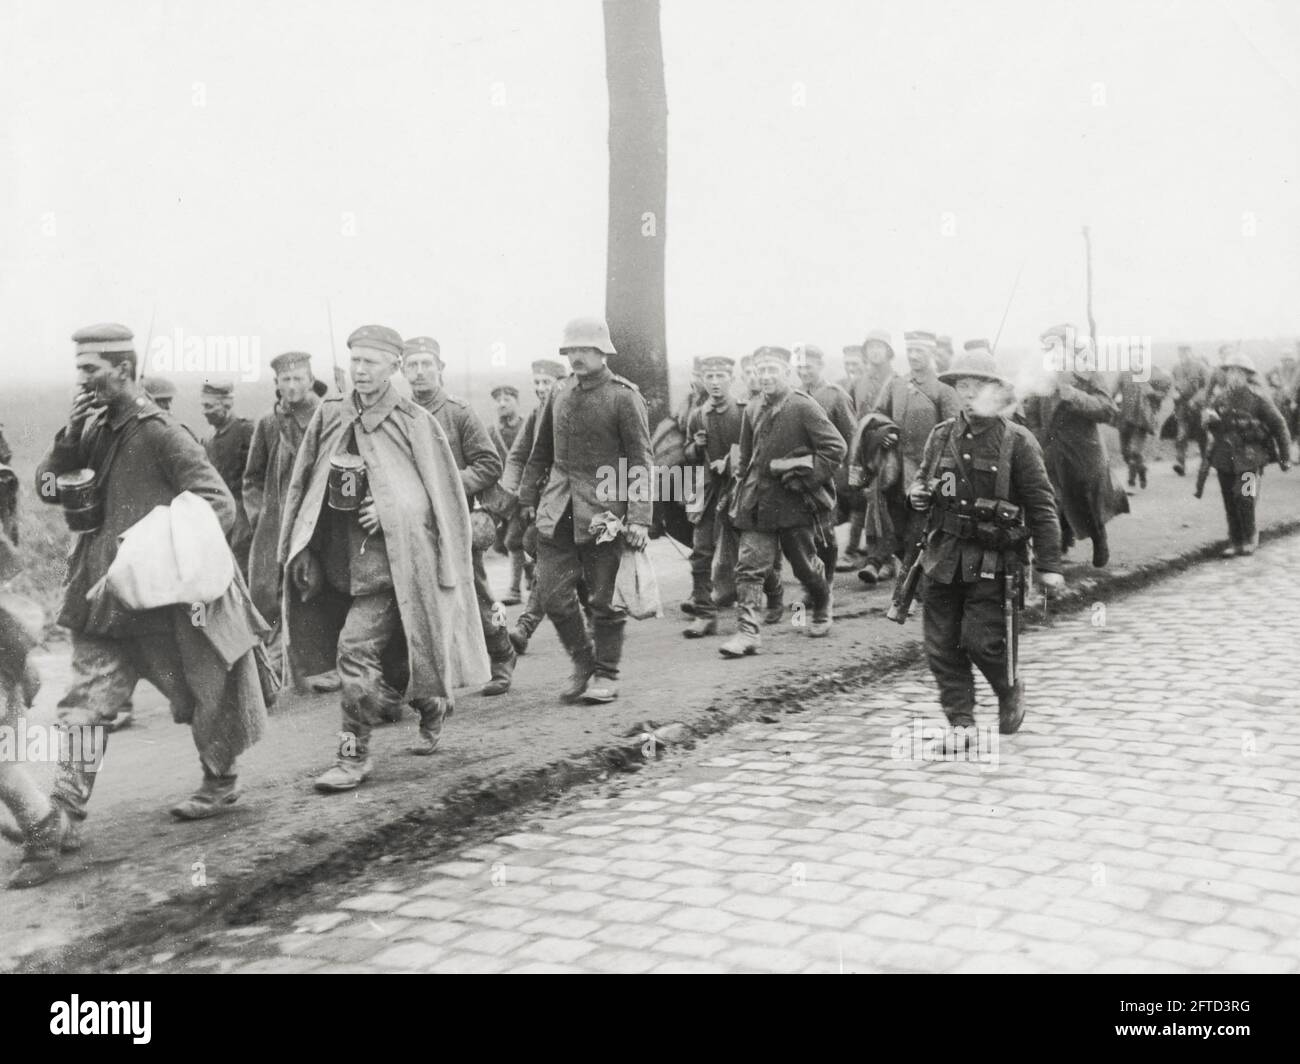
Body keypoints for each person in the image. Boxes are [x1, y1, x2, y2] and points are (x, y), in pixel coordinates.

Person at [28, 323, 268, 888]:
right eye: (79, 368)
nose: (81, 379)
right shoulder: (88, 428)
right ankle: (64, 814)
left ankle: (219, 777)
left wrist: (157, 550)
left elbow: (218, 504)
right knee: (85, 705)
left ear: (124, 370)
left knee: (199, 694)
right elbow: (44, 486)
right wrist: (67, 441)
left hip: (160, 603)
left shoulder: (161, 433)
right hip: (99, 599)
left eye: (91, 370)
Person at [279, 324, 489, 790]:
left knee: (354, 654)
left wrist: (390, 507)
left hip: (392, 567)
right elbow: (304, 486)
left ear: (393, 367)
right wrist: (304, 549)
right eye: (354, 361)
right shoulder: (330, 413)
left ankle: (352, 758)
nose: (360, 371)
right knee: (394, 663)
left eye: (370, 362)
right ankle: (430, 701)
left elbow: (436, 498)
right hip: (338, 565)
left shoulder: (414, 421)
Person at [907, 346, 1064, 737]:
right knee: (941, 646)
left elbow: (1043, 507)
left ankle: (1008, 688)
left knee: (981, 643)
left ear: (997, 390)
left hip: (994, 560)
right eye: (962, 385)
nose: (969, 393)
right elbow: (922, 481)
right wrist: (917, 494)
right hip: (943, 556)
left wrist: (1049, 566)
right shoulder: (941, 436)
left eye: (978, 385)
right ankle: (961, 722)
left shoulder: (1018, 441)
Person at [517, 317, 653, 704]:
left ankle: (607, 675)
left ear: (602, 352)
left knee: (604, 600)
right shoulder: (558, 391)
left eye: (585, 350)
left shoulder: (624, 396)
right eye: (571, 350)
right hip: (557, 508)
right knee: (553, 596)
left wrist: (640, 517)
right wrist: (527, 499)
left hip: (604, 512)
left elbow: (642, 461)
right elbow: (540, 451)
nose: (576, 357)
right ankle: (583, 662)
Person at [402, 336, 516, 696]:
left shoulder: (459, 412)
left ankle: (502, 655)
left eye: (426, 364)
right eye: (412, 365)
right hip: (415, 523)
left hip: (457, 520)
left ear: (440, 369)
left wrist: (447, 487)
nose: (420, 372)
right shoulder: (400, 414)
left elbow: (489, 464)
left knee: (476, 593)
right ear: (403, 371)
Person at [719, 345, 846, 657]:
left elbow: (835, 447)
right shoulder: (751, 408)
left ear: (787, 373)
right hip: (757, 502)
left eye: (772, 370)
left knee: (804, 568)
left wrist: (802, 474)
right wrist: (739, 491)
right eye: (761, 370)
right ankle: (747, 632)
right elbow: (746, 458)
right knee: (749, 567)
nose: (765, 376)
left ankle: (821, 602)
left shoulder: (803, 406)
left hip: (793, 503)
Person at [1021, 324, 1128, 567]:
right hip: (1051, 448)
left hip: (1084, 450)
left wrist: (1076, 396)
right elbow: (1032, 411)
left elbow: (1107, 409)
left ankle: (1099, 539)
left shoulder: (1087, 374)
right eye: (1046, 347)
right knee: (1052, 499)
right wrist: (1036, 436)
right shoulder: (1041, 375)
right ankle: (1053, 552)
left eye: (1054, 346)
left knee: (1087, 499)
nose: (1049, 352)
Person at [864, 331, 960, 583]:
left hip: (931, 471)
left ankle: (917, 586)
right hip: (896, 471)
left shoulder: (944, 388)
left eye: (920, 350)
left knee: (923, 530)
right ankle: (911, 581)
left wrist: (946, 479)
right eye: (911, 350)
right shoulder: (896, 384)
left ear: (932, 353)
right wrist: (883, 433)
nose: (914, 356)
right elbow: (876, 417)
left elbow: (955, 433)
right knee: (896, 527)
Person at [243, 352, 322, 628]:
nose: (291, 386)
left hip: (315, 526)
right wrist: (260, 517)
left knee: (312, 601)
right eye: (285, 379)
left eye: (298, 378)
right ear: (276, 383)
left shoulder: (325, 416)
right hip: (273, 528)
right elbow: (252, 478)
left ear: (311, 380)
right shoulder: (268, 422)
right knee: (267, 603)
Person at [504, 359, 568, 654]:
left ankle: (599, 621)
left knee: (576, 568)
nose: (541, 389)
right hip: (552, 503)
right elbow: (519, 457)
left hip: (583, 500)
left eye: (547, 382)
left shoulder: (574, 408)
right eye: (537, 383)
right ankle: (524, 628)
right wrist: (517, 493)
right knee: (552, 564)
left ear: (562, 381)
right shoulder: (536, 414)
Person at [1200, 352, 1291, 556]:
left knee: (1245, 497)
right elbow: (1212, 428)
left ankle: (1250, 537)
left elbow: (1279, 425)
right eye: (1230, 371)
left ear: (1247, 375)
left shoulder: (1258, 398)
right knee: (1229, 501)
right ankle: (1235, 540)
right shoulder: (1220, 398)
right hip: (1224, 458)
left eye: (1238, 371)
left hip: (1250, 458)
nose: (1233, 375)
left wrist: (1285, 458)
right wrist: (1208, 421)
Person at [794, 344, 854, 586]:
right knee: (801, 532)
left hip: (830, 473)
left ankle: (825, 585)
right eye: (799, 367)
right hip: (800, 473)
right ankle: (812, 585)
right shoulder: (793, 394)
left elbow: (851, 437)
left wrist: (851, 474)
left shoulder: (835, 395)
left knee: (824, 532)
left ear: (821, 366)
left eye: (808, 366)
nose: (804, 371)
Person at [201, 380, 255, 576]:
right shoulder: (207, 437)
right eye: (203, 406)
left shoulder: (245, 430)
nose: (205, 411)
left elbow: (256, 475)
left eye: (209, 406)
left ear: (227, 404)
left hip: (243, 513)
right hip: (217, 513)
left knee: (241, 567)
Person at [1115, 365, 1169, 489]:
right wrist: (1115, 398)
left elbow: (1163, 389)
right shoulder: (1124, 374)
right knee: (1125, 452)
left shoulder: (1151, 373)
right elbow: (1114, 390)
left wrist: (1153, 394)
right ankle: (1142, 469)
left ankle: (1131, 482)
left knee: (1135, 452)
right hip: (1125, 418)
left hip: (1142, 419)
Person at [1168, 345, 1211, 476]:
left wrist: (1196, 400)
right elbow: (1171, 385)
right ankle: (1180, 463)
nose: (1184, 355)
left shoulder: (1200, 367)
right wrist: (1174, 393)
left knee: (1201, 435)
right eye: (1181, 352)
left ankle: (1205, 463)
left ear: (1191, 352)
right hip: (1181, 406)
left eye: (1186, 352)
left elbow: (1207, 387)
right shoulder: (1176, 368)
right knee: (1181, 434)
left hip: (1198, 406)